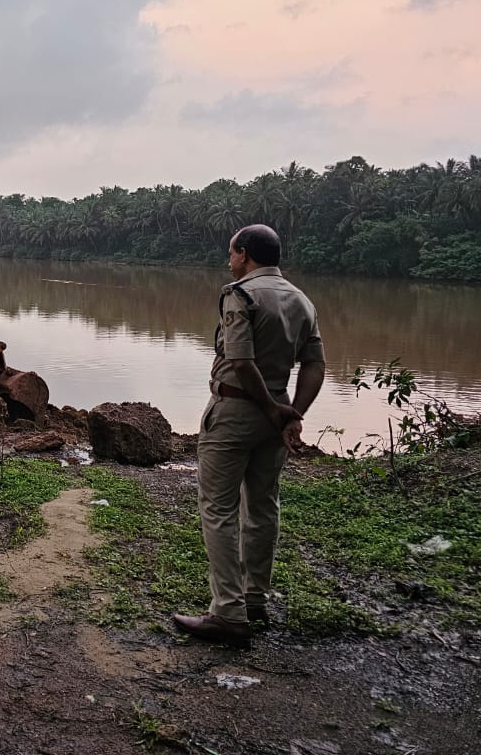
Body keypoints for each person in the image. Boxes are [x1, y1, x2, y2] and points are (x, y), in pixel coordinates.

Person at [173, 224, 325, 648]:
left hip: (236, 412)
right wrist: (291, 414)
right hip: (273, 417)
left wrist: (272, 409)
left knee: (218, 508)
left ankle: (228, 614)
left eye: (231, 253)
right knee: (262, 505)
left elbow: (239, 361)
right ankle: (255, 599)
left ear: (244, 254)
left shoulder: (240, 294)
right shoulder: (302, 300)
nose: (229, 260)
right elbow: (315, 364)